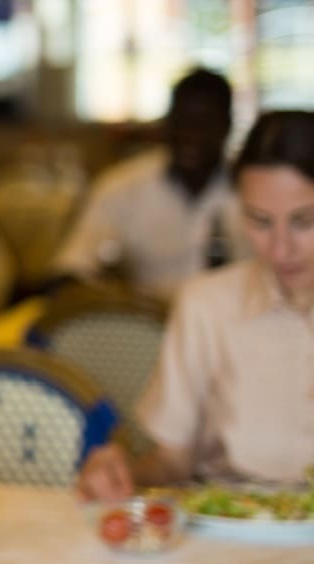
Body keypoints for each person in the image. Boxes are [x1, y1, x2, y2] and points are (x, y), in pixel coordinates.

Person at [78, 110, 314, 498]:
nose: (280, 248)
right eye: (259, 221)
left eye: (305, 221)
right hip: (231, 540)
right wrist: (120, 473)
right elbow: (173, 462)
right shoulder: (207, 305)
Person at [53, 68, 246, 299]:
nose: (190, 134)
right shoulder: (123, 186)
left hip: (232, 325)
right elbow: (73, 266)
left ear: (227, 126)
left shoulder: (252, 191)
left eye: (203, 123)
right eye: (181, 121)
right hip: (145, 327)